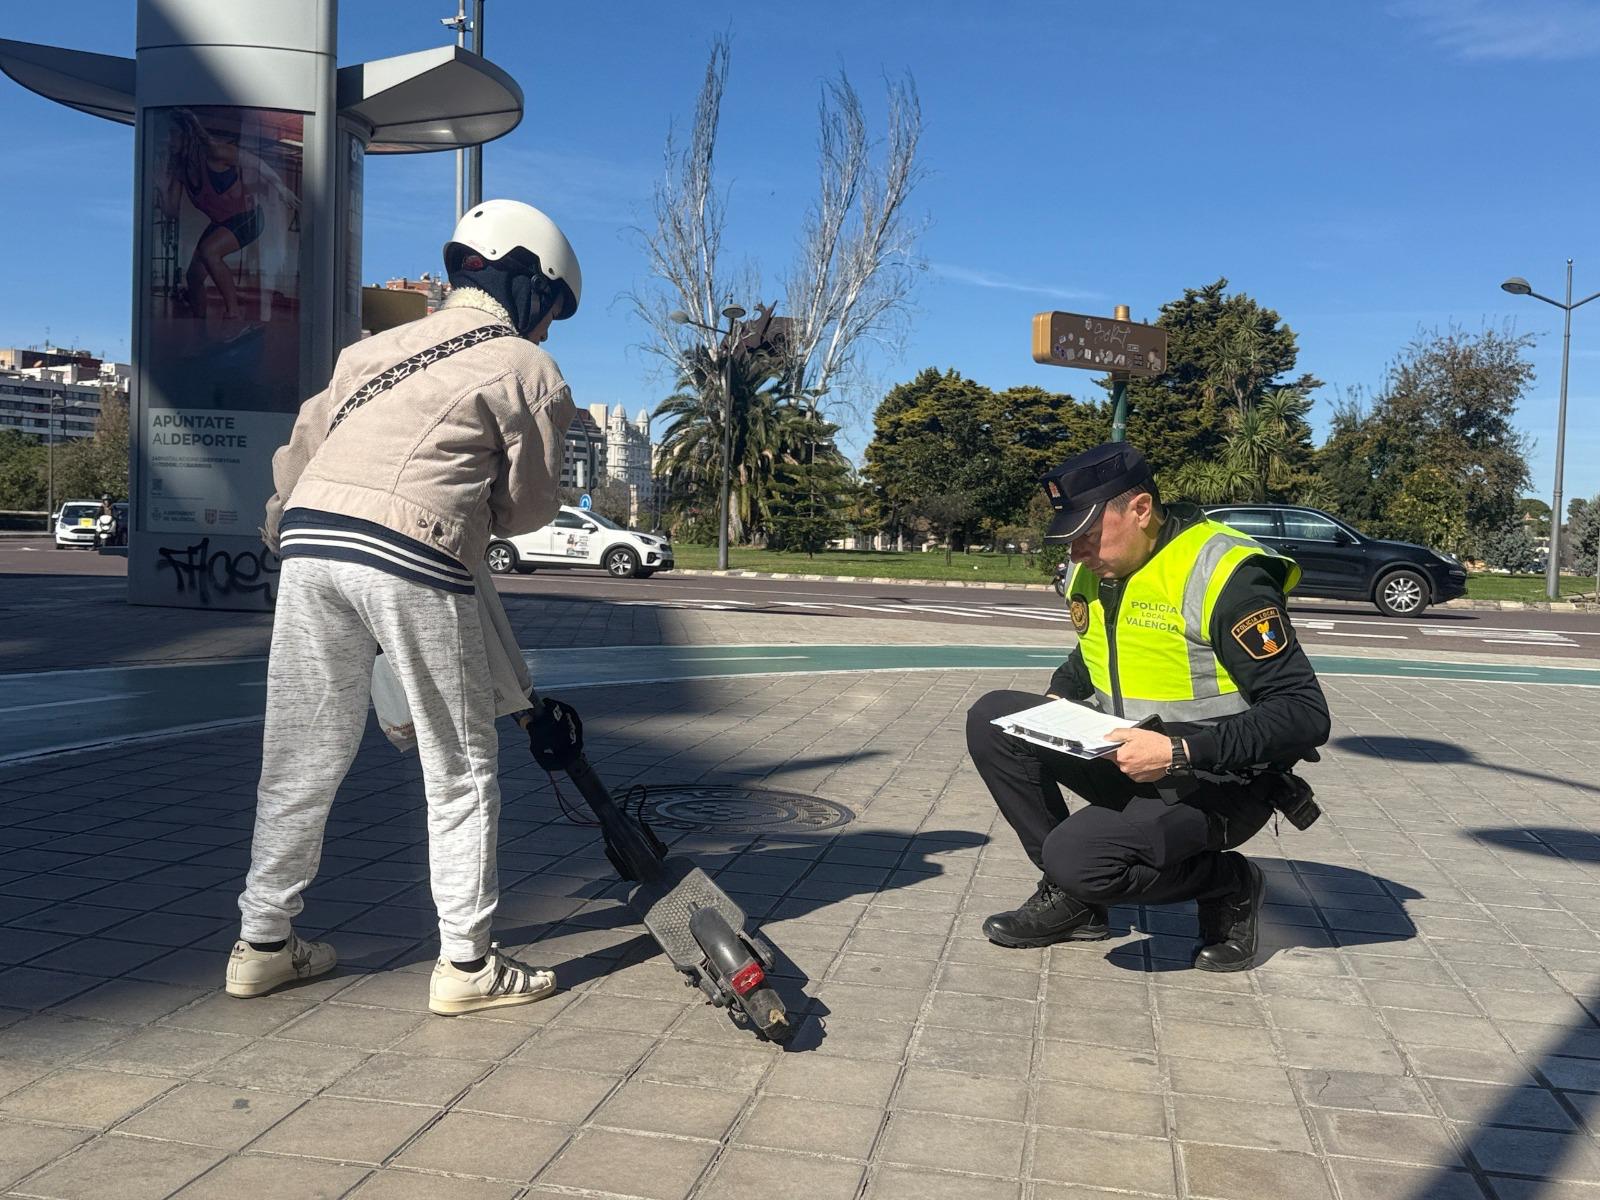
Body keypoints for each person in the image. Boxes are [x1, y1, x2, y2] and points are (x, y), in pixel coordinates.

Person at [227, 199, 582, 1013]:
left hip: (311, 543)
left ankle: (263, 945)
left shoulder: (369, 352)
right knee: (457, 765)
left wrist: (296, 530)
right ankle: (467, 968)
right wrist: (471, 511)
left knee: (298, 757)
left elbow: (300, 453)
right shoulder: (525, 369)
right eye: (551, 310)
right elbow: (530, 508)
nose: (549, 330)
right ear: (528, 281)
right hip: (413, 550)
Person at [965, 442, 1330, 971]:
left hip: (1220, 781)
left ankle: (1229, 884)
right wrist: (1058, 700)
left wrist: (1181, 750)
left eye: (1087, 535)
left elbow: (1304, 713)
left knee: (1078, 858)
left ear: (1140, 510)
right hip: (1134, 757)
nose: (1077, 553)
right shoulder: (1098, 568)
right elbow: (1092, 653)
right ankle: (1077, 900)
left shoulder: (1226, 573)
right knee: (995, 717)